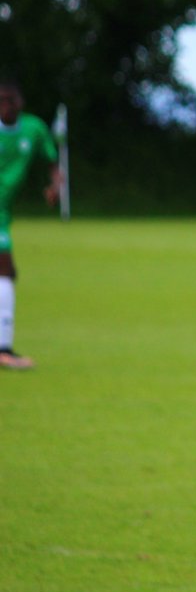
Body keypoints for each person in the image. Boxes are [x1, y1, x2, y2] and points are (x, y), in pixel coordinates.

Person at [0, 77, 62, 371]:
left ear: (20, 102)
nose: (5, 106)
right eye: (0, 101)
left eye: (10, 100)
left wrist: (55, 187)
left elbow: (53, 163)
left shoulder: (33, 129)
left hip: (3, 212)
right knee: (4, 272)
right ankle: (3, 350)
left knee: (7, 273)